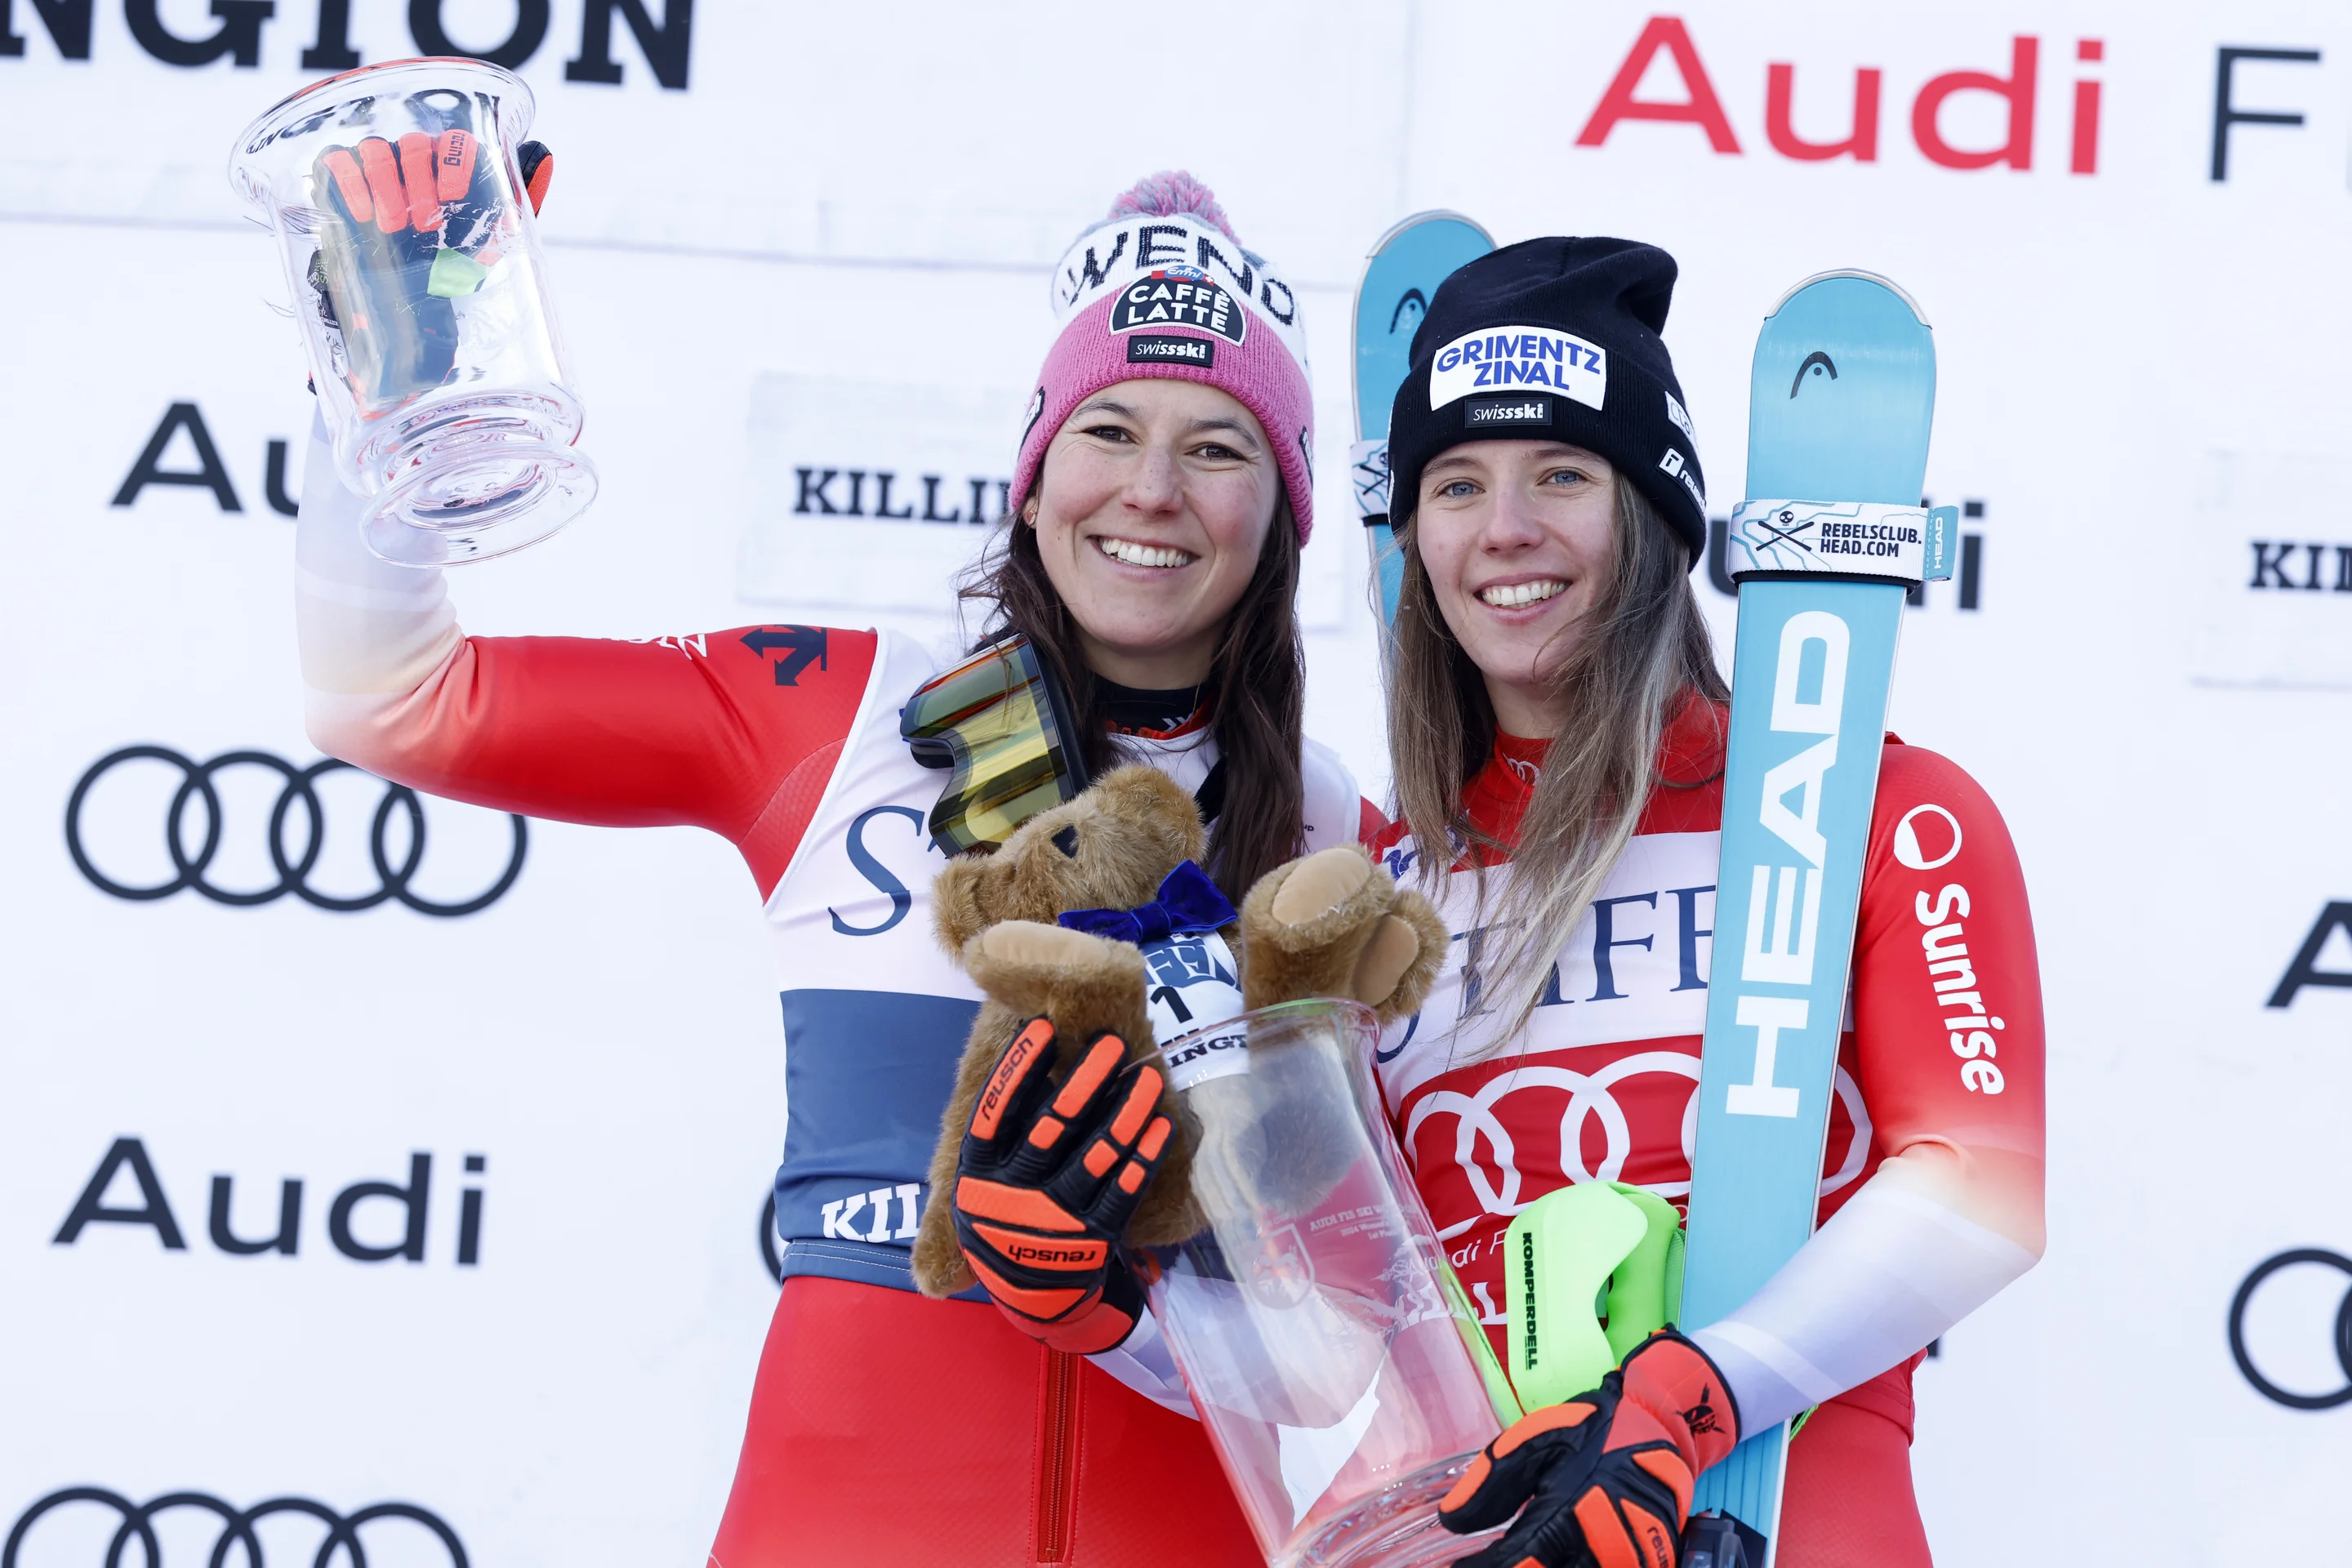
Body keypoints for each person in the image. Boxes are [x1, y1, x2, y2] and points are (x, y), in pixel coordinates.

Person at [292, 167, 1360, 1566]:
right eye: (1109, 428)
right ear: (1035, 480)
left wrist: (1112, 1309)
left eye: (1219, 447)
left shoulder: (1333, 831)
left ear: (1282, 508)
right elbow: (387, 697)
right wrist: (386, 361)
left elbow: (1338, 1347)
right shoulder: (845, 715)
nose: (1151, 491)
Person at [1361, 239, 2046, 1568]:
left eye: (1564, 474)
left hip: (1793, 1517)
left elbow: (1986, 1189)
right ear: (1415, 539)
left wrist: (1700, 1394)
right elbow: (1326, 1298)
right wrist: (1123, 1309)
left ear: (1659, 516)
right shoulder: (1380, 889)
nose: (1507, 527)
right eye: (1458, 484)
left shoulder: (1879, 812)